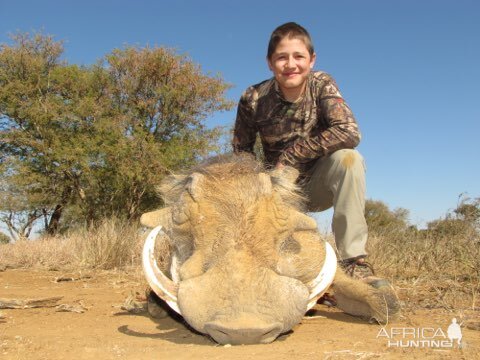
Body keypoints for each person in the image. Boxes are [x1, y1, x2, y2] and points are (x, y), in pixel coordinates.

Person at [232, 22, 373, 279]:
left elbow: (350, 131)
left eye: (299, 56)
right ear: (269, 62)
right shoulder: (252, 97)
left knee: (349, 159)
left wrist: (291, 155)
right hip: (276, 191)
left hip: (317, 185)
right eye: (281, 57)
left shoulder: (321, 83)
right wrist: (259, 186)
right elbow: (242, 152)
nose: (291, 64)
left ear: (312, 59)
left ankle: (353, 261)